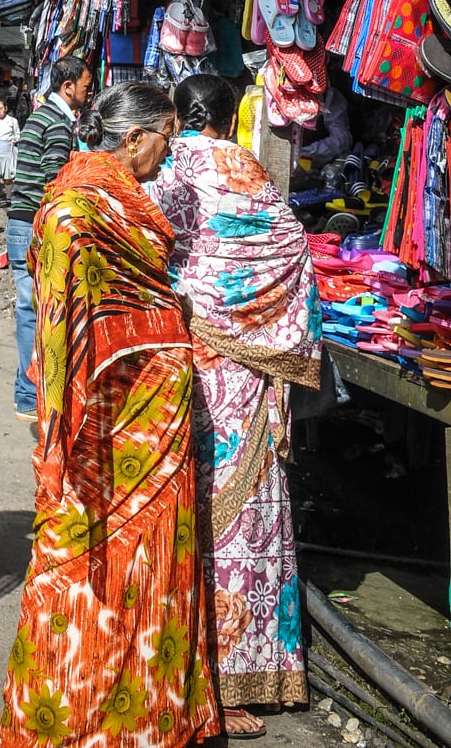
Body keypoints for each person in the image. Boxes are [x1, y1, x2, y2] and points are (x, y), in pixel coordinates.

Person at [0, 82, 223, 748]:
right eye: (167, 137)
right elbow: (61, 326)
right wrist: (59, 432)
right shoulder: (75, 208)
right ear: (134, 137)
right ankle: (73, 714)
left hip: (153, 417)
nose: (170, 152)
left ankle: (151, 717)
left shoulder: (105, 201)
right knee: (84, 560)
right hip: (105, 421)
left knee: (150, 561)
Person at [148, 75, 321, 737]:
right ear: (228, 116)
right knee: (239, 519)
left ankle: (172, 665)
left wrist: (187, 290)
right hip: (241, 365)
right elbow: (291, 248)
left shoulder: (160, 166)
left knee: (172, 506)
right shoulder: (243, 167)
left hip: (172, 354)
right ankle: (233, 672)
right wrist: (261, 324)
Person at [5, 56, 93, 421]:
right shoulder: (56, 123)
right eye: (86, 87)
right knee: (33, 310)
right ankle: (28, 394)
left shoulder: (42, 117)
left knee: (30, 309)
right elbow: (54, 182)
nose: (89, 94)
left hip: (20, 223)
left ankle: (26, 391)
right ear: (67, 86)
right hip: (32, 225)